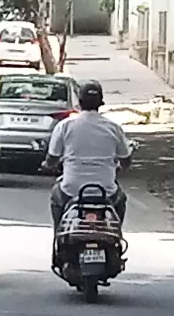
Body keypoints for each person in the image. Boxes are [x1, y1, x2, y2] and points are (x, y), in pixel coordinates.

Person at [46, 80, 130, 221]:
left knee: (56, 196)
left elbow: (52, 158)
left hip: (71, 189)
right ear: (100, 103)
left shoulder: (65, 126)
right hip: (106, 190)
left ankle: (58, 236)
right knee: (121, 200)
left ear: (79, 101)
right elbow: (126, 160)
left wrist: (47, 165)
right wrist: (120, 167)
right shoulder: (113, 128)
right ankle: (117, 233)